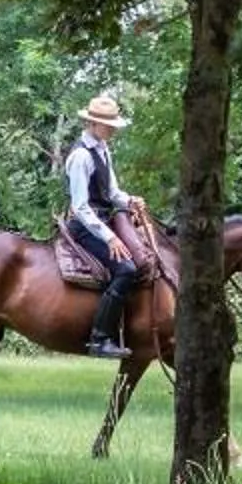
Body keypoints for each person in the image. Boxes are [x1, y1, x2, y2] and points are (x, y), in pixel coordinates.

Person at [61, 91, 148, 358]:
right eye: (108, 125)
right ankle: (99, 339)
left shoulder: (102, 149)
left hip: (102, 220)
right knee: (125, 269)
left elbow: (111, 192)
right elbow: (81, 207)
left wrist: (130, 199)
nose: (112, 130)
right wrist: (110, 237)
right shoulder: (81, 157)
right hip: (84, 226)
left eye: (113, 125)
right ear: (93, 123)